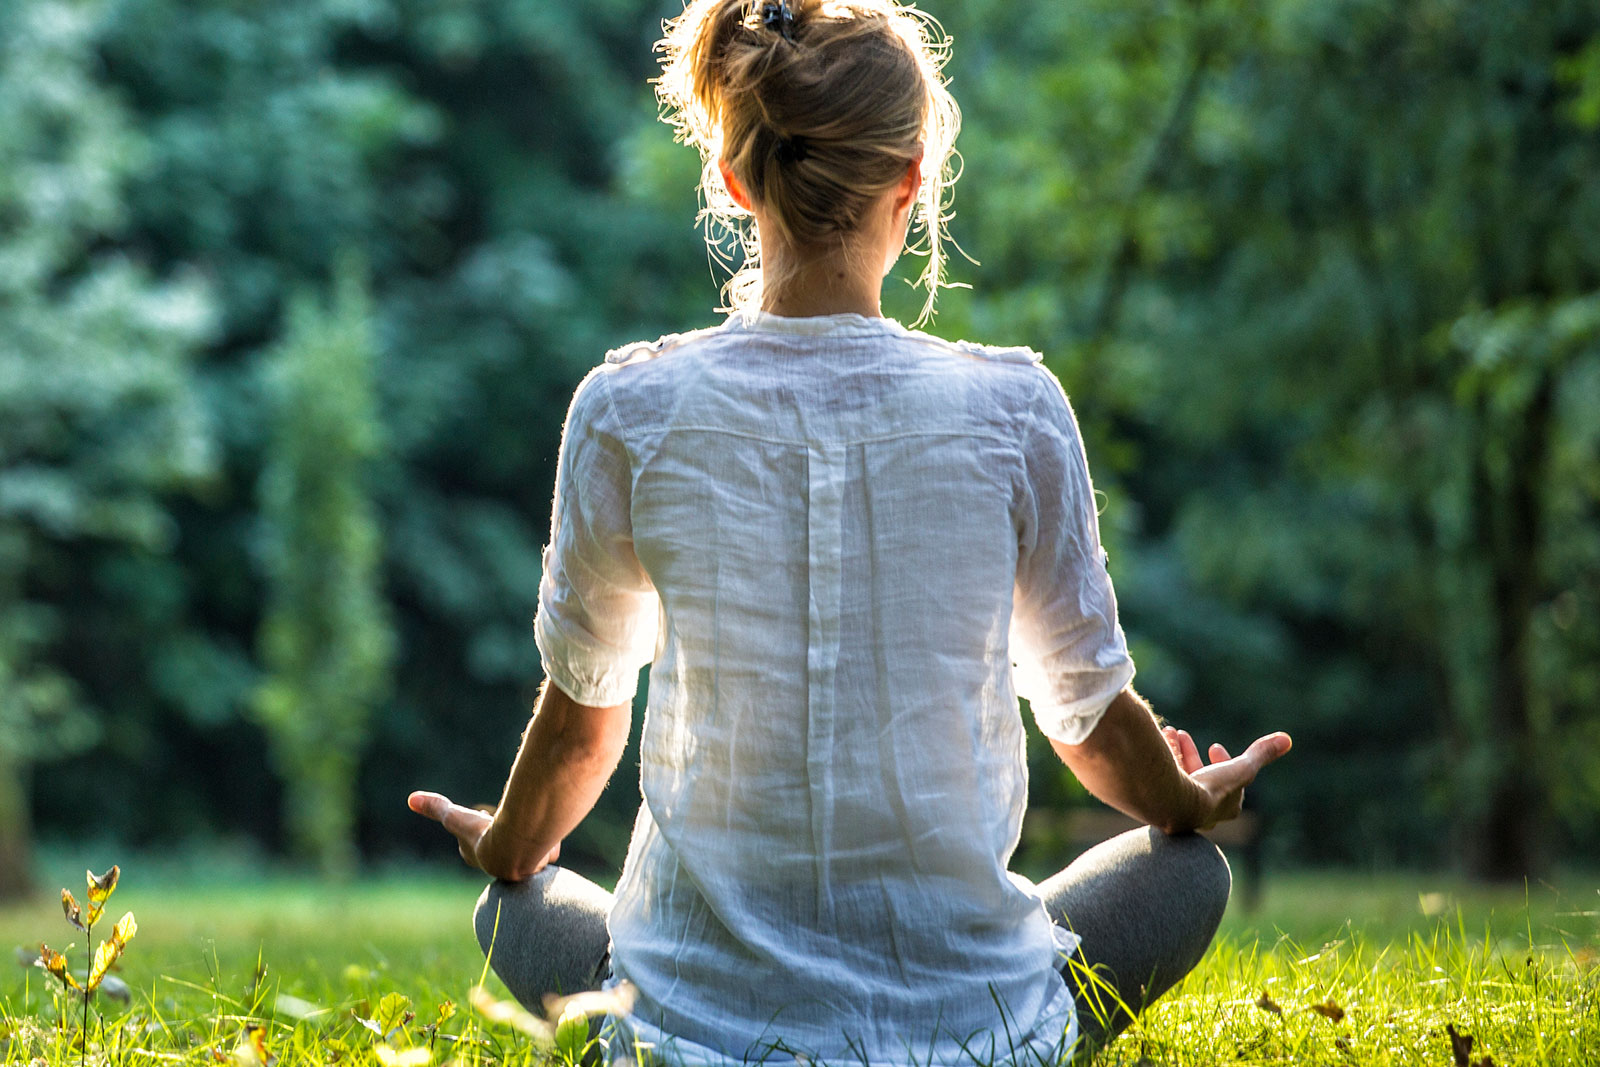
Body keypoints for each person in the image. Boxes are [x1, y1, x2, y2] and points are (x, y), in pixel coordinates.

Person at [408, 0, 1293, 1063]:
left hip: (688, 1041)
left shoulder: (628, 410)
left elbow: (581, 725)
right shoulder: (1013, 408)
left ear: (736, 182)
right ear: (912, 180)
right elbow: (1090, 716)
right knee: (1189, 869)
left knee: (512, 905)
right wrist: (1181, 795)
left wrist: (502, 841)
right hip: (971, 1031)